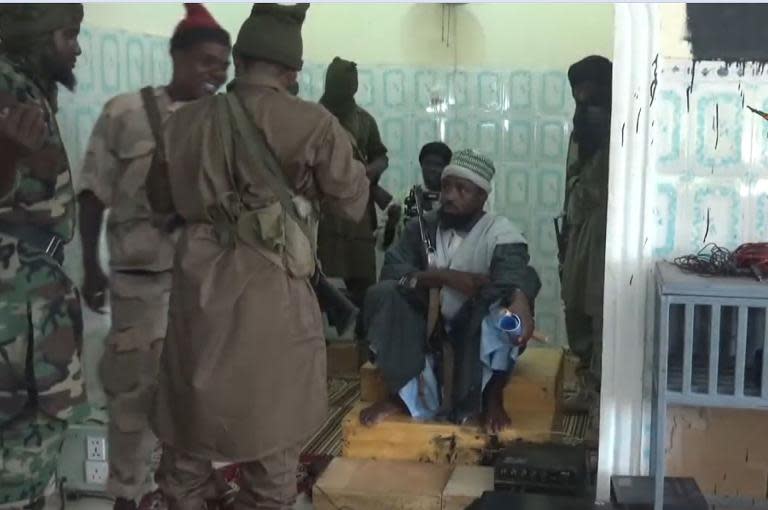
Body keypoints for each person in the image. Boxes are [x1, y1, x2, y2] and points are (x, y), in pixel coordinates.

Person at [146, 4, 370, 510]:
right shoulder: (313, 123)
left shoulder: (182, 123)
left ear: (240, 59)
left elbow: (159, 200)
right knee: (272, 449)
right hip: (270, 296)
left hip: (196, 298)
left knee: (185, 445)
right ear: (293, 71)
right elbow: (354, 202)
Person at [77, 5, 231, 509]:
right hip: (140, 283)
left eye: (223, 64)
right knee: (134, 396)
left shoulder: (226, 124)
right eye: (207, 61)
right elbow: (92, 192)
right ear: (177, 56)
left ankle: (187, 489)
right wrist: (90, 264)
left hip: (205, 286)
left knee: (199, 394)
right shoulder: (126, 113)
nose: (217, 73)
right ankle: (128, 493)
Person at [360, 149, 541, 432]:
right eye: (446, 187)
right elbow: (395, 276)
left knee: (508, 319)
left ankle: (493, 395)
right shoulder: (421, 229)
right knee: (384, 295)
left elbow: (516, 275)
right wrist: (444, 277)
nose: (449, 196)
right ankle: (402, 398)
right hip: (427, 325)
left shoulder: (500, 233)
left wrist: (520, 300)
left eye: (461, 189)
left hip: (476, 325)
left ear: (482, 196)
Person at [0, 4, 86, 509]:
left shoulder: (26, 85)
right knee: (17, 461)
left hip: (33, 295)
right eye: (68, 36)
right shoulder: (6, 85)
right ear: (37, 38)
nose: (77, 47)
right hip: (14, 309)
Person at [559, 56, 612, 427]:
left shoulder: (621, 127)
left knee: (600, 313)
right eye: (576, 89)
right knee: (574, 306)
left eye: (588, 87)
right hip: (578, 229)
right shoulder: (582, 130)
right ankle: (586, 382)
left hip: (606, 232)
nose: (581, 96)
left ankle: (601, 398)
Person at [317, 56, 390, 319]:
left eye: (352, 85)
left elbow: (381, 156)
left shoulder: (364, 121)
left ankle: (362, 347)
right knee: (317, 287)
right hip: (323, 217)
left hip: (358, 217)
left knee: (363, 288)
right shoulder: (313, 118)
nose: (348, 89)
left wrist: (369, 172)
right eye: (343, 84)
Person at [380, 141, 452, 251]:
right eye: (428, 163)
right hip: (409, 263)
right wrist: (391, 224)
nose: (432, 169)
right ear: (421, 165)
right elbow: (382, 245)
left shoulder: (454, 199)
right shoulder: (403, 198)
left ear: (447, 168)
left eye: (438, 165)